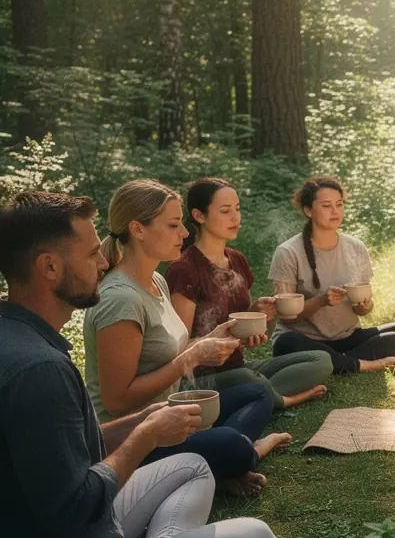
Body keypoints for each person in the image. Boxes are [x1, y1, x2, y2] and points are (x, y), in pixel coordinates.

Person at [0, 191, 280, 538]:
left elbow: (72, 457)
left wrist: (143, 419)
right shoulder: (38, 369)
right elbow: (74, 512)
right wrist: (145, 437)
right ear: (49, 267)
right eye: (91, 254)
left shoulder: (20, 338)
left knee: (194, 464)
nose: (101, 263)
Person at [84, 180, 291, 497]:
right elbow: (117, 401)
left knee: (256, 393)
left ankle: (213, 463)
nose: (184, 232)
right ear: (137, 229)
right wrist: (192, 359)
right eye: (173, 224)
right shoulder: (120, 300)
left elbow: (174, 352)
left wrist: (216, 337)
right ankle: (245, 454)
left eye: (181, 223)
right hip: (135, 437)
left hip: (171, 411)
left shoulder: (155, 280)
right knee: (233, 445)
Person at [166, 177, 333, 411]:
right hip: (199, 380)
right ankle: (281, 399)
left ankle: (257, 395)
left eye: (237, 209)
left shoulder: (237, 260)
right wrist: (217, 343)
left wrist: (255, 315)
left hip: (238, 368)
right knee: (250, 380)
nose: (235, 217)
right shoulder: (184, 270)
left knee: (320, 360)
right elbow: (178, 348)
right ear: (199, 216)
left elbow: (237, 322)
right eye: (225, 211)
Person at [269, 176, 395, 375]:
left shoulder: (355, 247)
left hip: (347, 337)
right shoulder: (288, 252)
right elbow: (286, 317)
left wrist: (364, 306)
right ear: (308, 210)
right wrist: (321, 300)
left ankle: (337, 362)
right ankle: (361, 364)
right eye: (326, 205)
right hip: (304, 339)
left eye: (339, 204)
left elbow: (364, 309)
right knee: (287, 343)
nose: (335, 211)